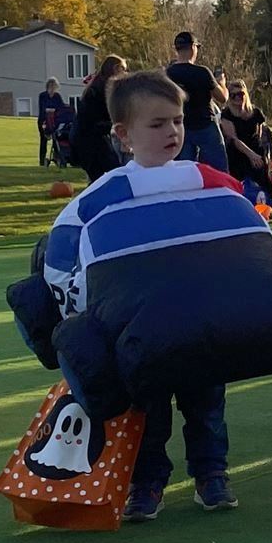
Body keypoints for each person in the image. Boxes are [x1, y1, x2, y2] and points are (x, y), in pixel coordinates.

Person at [75, 70, 236, 516]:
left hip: (201, 317)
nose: (173, 131)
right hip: (140, 326)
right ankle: (146, 484)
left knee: (206, 405)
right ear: (123, 134)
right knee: (147, 411)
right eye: (158, 123)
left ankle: (212, 475)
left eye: (178, 121)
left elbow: (243, 227)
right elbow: (72, 239)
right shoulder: (108, 193)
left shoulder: (202, 178)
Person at [165, 32, 225, 170]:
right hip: (205, 125)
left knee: (184, 172)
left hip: (181, 127)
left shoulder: (168, 74)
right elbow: (222, 98)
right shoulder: (202, 72)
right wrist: (221, 83)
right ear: (193, 47)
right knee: (219, 170)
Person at [66, 55, 130, 181]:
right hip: (89, 141)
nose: (125, 73)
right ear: (116, 69)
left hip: (89, 139)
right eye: (123, 69)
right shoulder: (102, 90)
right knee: (110, 175)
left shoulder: (97, 86)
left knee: (104, 176)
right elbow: (95, 122)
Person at [35, 77, 70, 166]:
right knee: (43, 141)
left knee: (56, 140)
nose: (52, 88)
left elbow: (61, 107)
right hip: (44, 121)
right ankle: (42, 161)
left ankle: (57, 157)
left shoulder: (57, 96)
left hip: (55, 121)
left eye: (54, 86)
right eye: (51, 86)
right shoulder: (42, 96)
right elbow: (42, 108)